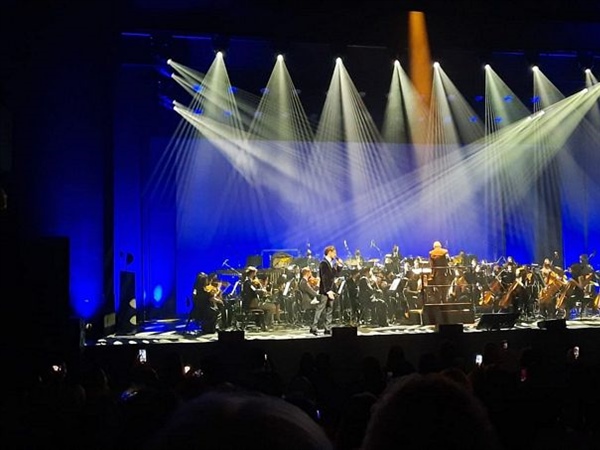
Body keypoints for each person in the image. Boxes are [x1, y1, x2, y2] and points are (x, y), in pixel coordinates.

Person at [310, 245, 343, 336]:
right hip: (325, 290)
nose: (335, 254)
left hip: (330, 290)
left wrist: (339, 265)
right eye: (334, 252)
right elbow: (324, 278)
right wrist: (328, 291)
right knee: (320, 309)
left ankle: (327, 328)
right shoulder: (323, 263)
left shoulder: (330, 263)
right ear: (329, 252)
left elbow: (335, 275)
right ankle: (313, 327)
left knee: (329, 310)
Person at [241, 266, 277, 330]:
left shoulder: (249, 281)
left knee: (270, 307)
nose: (255, 275)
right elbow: (254, 291)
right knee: (272, 307)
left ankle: (265, 324)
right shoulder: (248, 282)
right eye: (255, 273)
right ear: (252, 273)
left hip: (254, 301)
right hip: (252, 302)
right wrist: (261, 290)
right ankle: (266, 325)